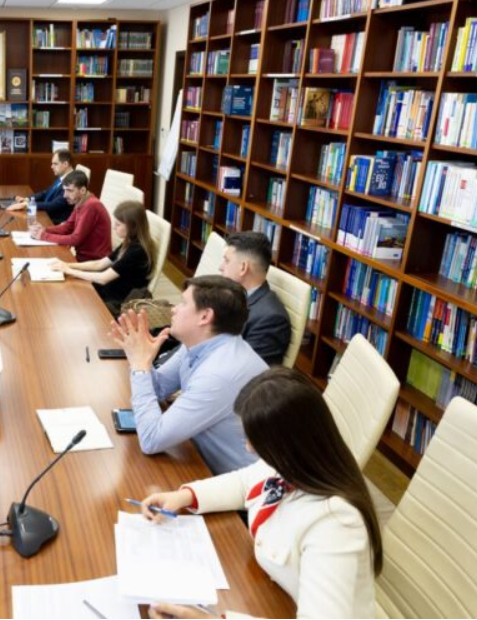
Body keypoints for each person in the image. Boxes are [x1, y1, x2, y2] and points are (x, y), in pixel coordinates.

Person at [139, 368, 383, 619]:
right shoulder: (293, 462)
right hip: (275, 594)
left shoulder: (335, 523)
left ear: (286, 444)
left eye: (255, 440)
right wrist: (185, 496)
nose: (249, 448)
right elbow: (245, 482)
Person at [108, 275, 267, 475]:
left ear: (205, 317)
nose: (174, 308)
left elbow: (151, 440)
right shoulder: (200, 343)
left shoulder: (219, 375)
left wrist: (140, 366)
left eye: (183, 303)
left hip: (232, 481)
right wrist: (142, 358)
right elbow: (158, 389)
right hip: (197, 455)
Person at [50, 201, 153, 312]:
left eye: (118, 224)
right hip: (110, 289)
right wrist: (67, 265)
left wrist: (69, 270)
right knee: (69, 292)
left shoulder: (137, 251)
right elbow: (99, 264)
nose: (114, 228)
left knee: (72, 299)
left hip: (118, 301)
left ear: (133, 226)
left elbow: (103, 278)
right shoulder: (129, 242)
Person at [219, 231, 292, 366]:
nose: (220, 267)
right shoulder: (231, 293)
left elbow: (248, 372)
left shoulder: (271, 320)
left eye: (227, 261)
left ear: (243, 268)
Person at [29, 170, 112, 262]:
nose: (65, 195)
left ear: (82, 190)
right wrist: (44, 229)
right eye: (64, 190)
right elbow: (67, 227)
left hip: (93, 262)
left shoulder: (91, 206)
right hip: (83, 258)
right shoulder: (81, 201)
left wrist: (44, 236)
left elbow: (75, 239)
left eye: (69, 190)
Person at [7, 149, 75, 224]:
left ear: (65, 164)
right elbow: (45, 193)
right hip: (45, 214)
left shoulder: (72, 182)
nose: (51, 167)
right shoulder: (63, 176)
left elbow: (53, 205)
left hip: (53, 221)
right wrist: (28, 199)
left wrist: (26, 205)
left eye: (55, 164)